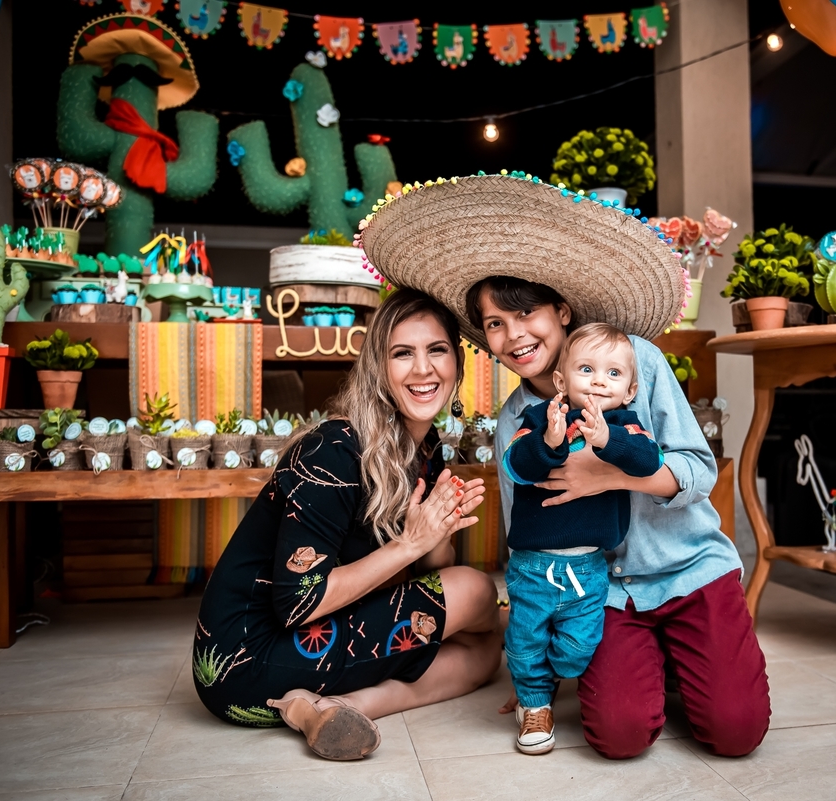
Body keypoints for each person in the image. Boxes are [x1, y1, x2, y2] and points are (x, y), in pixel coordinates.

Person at [358, 173, 771, 760]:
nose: (513, 336)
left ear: (561, 310)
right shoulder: (515, 418)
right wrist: (533, 666)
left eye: (525, 313)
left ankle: (685, 659)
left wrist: (611, 475)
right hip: (602, 593)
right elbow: (523, 536)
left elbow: (699, 471)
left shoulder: (634, 360)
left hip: (688, 570)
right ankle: (650, 662)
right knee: (619, 736)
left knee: (735, 731)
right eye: (494, 324)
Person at [193, 288, 502, 760]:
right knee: (477, 592)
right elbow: (298, 605)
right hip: (245, 658)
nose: (423, 369)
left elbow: (432, 572)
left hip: (309, 647)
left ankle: (338, 708)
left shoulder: (424, 447)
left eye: (437, 350)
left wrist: (436, 531)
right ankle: (519, 624)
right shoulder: (333, 450)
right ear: (378, 367)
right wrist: (408, 544)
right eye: (403, 353)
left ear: (457, 364)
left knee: (484, 657)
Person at [501, 323, 664, 755]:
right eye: (586, 369)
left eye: (614, 374)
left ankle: (552, 671)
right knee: (525, 641)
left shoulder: (626, 425)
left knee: (579, 647)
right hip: (532, 567)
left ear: (630, 391)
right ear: (561, 380)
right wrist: (550, 441)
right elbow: (516, 465)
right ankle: (534, 704)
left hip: (589, 568)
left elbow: (650, 462)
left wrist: (608, 441)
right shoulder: (540, 417)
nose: (598, 381)